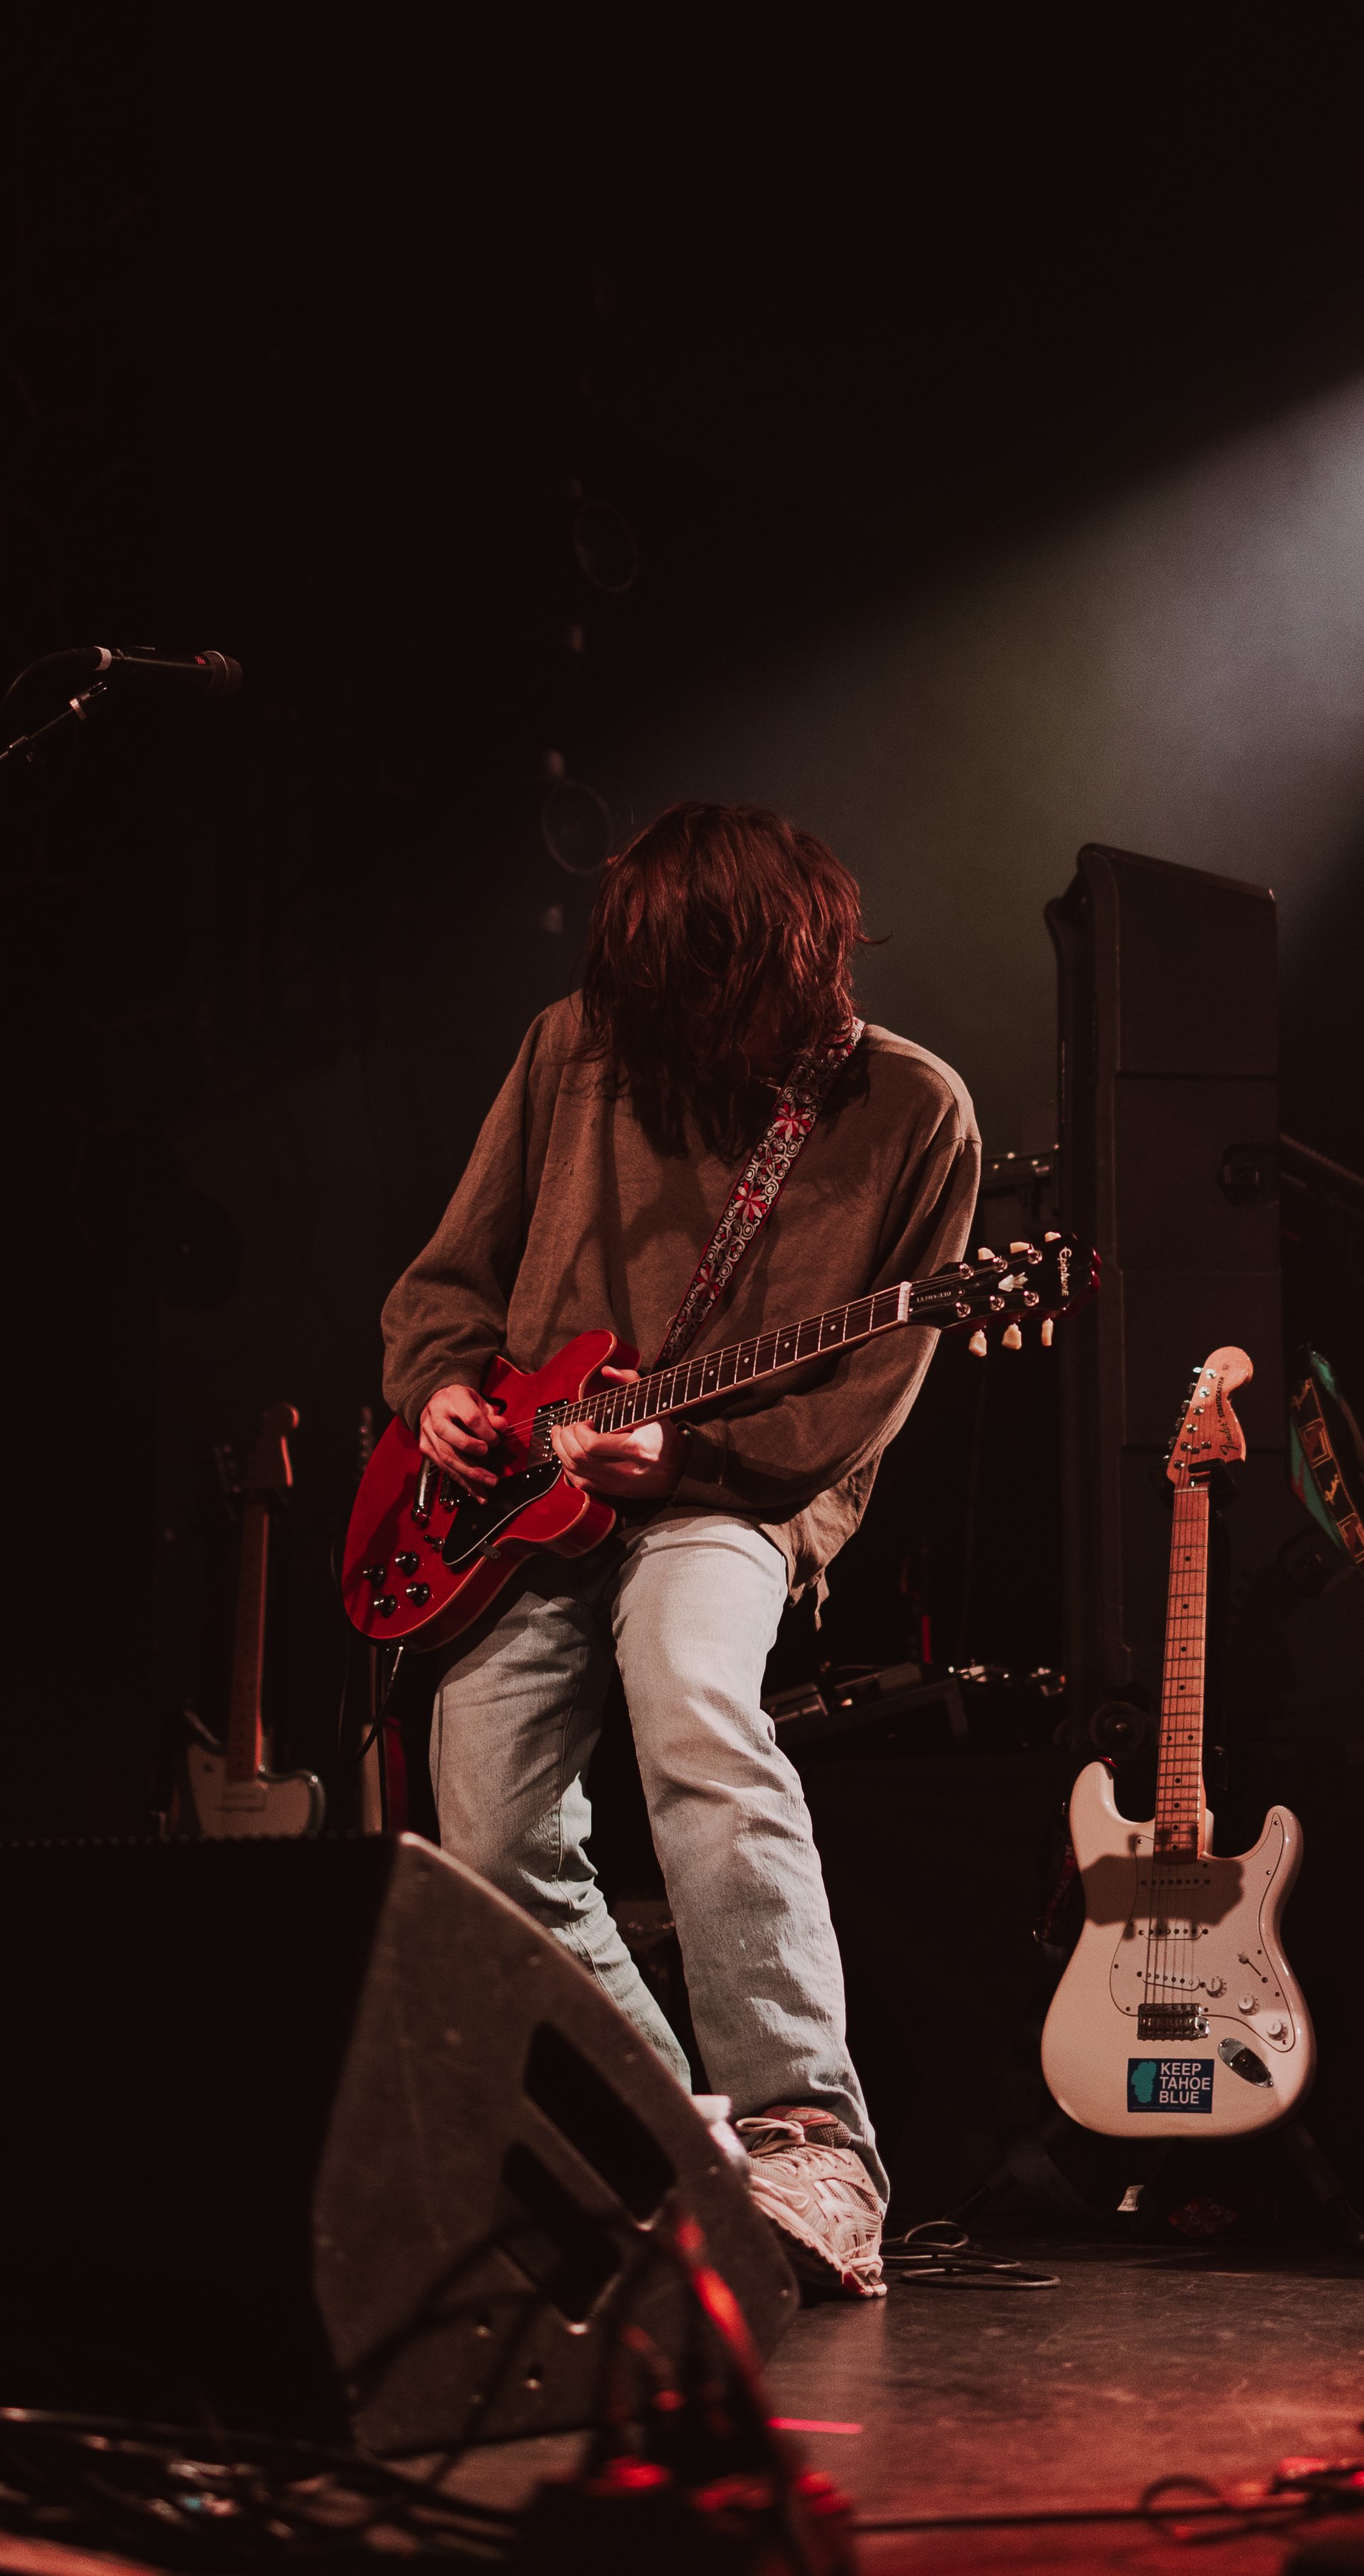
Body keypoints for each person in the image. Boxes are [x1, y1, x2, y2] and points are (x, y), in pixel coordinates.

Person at [379, 802, 981, 2294]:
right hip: (524, 1493)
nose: (649, 1030)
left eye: (687, 999)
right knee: (486, 1826)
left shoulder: (913, 1113)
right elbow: (451, 1272)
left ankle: (808, 2139)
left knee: (696, 1709)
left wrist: (691, 1454)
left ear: (786, 961)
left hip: (734, 1492)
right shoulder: (573, 1045)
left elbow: (859, 1404)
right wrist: (444, 1383)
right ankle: (669, 2141)